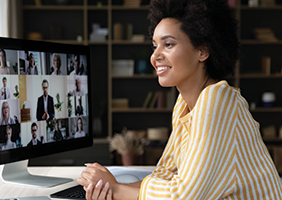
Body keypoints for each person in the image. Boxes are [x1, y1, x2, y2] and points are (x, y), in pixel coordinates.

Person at [78, 0, 282, 199]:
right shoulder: (184, 104)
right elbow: (166, 173)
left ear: (202, 51)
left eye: (168, 44)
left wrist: (115, 189)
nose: (155, 56)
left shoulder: (218, 100)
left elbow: (182, 196)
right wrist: (108, 188)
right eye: (154, 45)